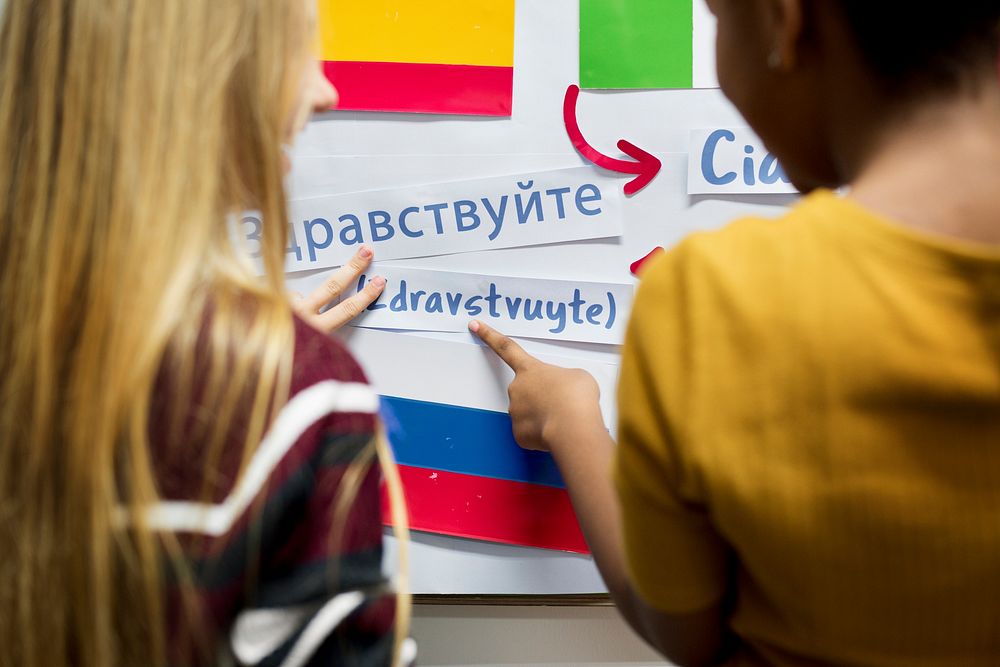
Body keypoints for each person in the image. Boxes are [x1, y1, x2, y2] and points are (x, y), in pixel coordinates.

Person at [472, 1, 1000, 665]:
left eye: (717, 17)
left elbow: (683, 630)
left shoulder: (718, 299)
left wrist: (571, 423)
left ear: (786, 21)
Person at [0, 1, 413, 666]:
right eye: (298, 45)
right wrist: (273, 378)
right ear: (197, 74)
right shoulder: (308, 398)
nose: (325, 92)